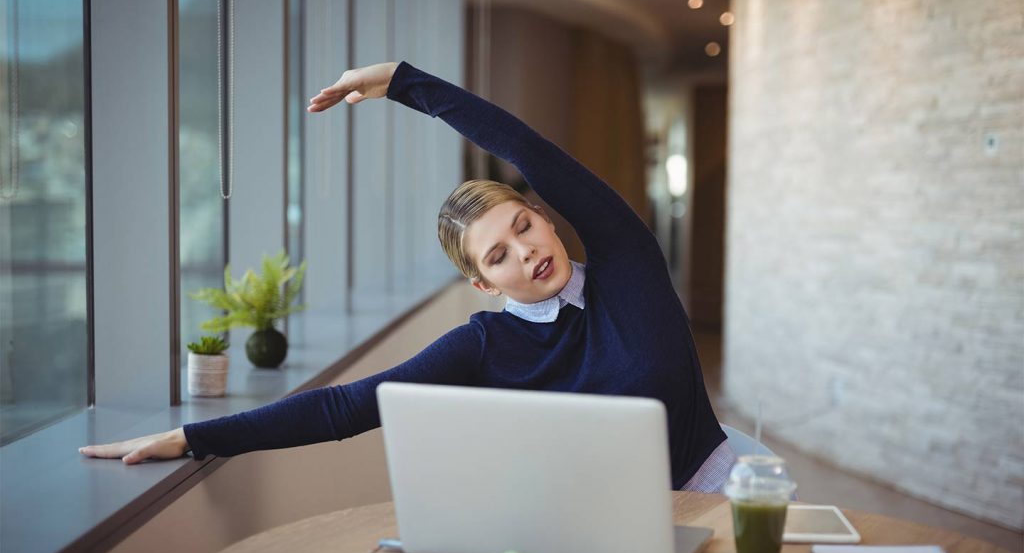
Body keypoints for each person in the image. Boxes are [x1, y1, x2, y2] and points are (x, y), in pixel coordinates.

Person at [79, 60, 735, 491]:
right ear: (482, 283)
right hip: (608, 532)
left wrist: (402, 81)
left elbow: (529, 151)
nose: (525, 252)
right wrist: (192, 436)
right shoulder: (485, 344)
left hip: (720, 494)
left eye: (523, 227)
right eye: (497, 256)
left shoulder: (629, 265)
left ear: (545, 216)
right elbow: (345, 406)